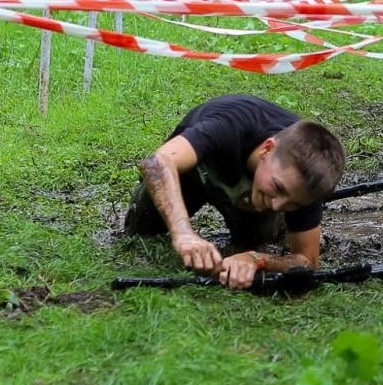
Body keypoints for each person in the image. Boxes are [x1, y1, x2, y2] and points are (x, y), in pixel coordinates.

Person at [123, 95, 347, 289]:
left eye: (293, 205)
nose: (278, 206)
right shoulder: (227, 126)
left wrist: (257, 259)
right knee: (141, 231)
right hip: (192, 175)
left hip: (248, 193)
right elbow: (157, 163)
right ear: (267, 149)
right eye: (278, 188)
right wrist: (183, 234)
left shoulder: (308, 179)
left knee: (257, 241)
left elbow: (308, 262)